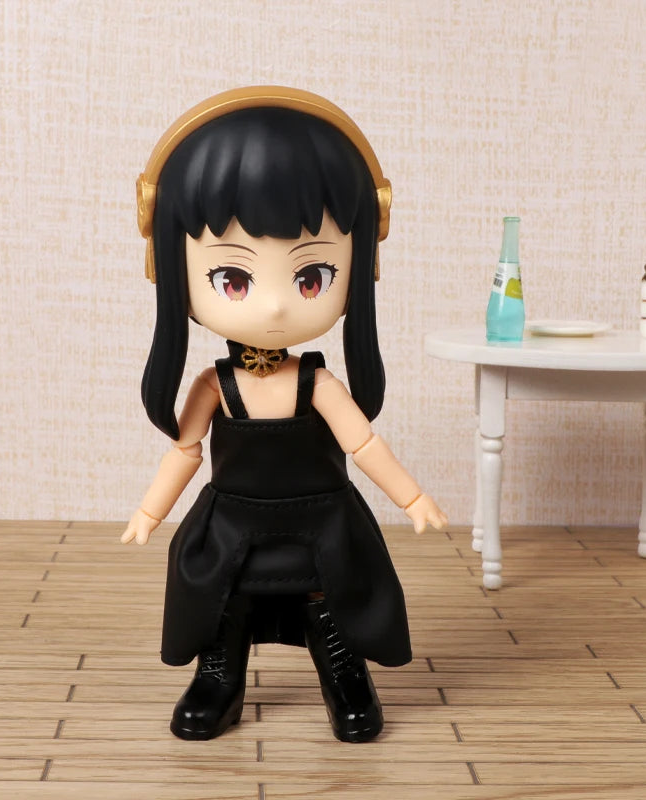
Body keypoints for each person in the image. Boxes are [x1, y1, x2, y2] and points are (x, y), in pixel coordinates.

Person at [122, 87, 447, 743]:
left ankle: (342, 671)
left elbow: (363, 443)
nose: (274, 307)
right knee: (224, 597)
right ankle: (219, 676)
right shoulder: (215, 385)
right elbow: (185, 451)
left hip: (319, 517)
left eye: (311, 278)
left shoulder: (317, 382)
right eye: (234, 280)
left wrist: (412, 497)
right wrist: (150, 511)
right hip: (236, 517)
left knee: (330, 597)